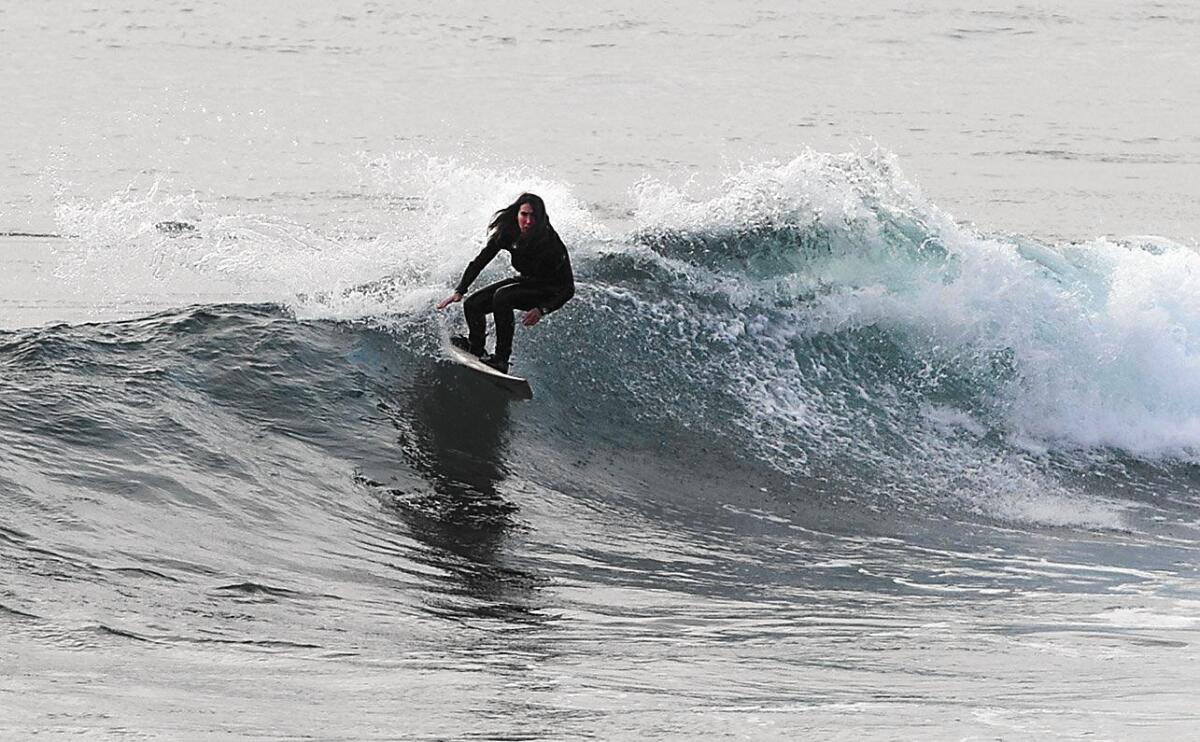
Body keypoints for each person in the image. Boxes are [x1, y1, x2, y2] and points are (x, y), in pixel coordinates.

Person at [436, 193, 575, 374]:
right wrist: (460, 290)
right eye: (524, 214)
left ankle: (501, 359)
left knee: (503, 296)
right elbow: (480, 261)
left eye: (534, 216)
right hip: (526, 282)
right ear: (516, 214)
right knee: (473, 304)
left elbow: (568, 289)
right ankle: (476, 347)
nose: (528, 221)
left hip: (548, 290)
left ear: (541, 218)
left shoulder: (551, 244)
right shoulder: (508, 232)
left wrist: (542, 309)